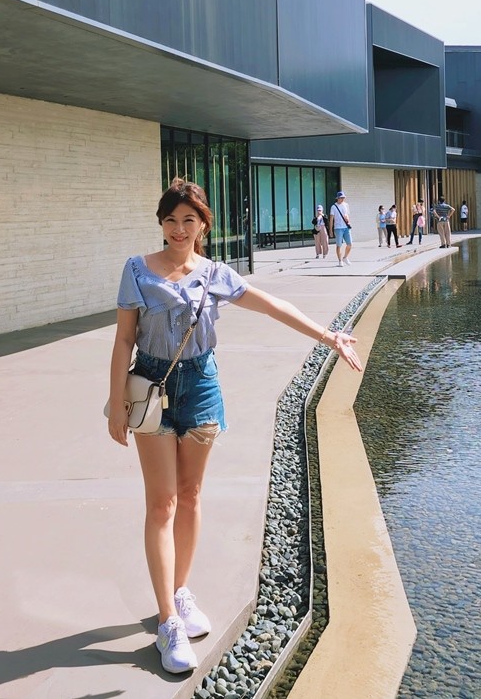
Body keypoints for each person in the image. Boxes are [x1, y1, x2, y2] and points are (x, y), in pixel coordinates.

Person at [109, 179, 363, 675]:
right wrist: (114, 401)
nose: (179, 230)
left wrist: (328, 335)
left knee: (192, 493)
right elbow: (123, 340)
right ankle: (167, 623)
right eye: (170, 220)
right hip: (152, 387)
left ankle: (179, 592)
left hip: (201, 385)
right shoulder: (137, 270)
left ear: (204, 224)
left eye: (189, 220)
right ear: (160, 223)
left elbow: (272, 306)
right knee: (161, 501)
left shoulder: (215, 275)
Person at [330, 190, 352, 266]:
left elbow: (347, 215)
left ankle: (345, 257)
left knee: (349, 244)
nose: (343, 199)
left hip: (346, 227)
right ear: (338, 198)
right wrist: (331, 230)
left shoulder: (346, 205)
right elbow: (331, 219)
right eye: (341, 198)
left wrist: (348, 220)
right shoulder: (334, 207)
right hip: (338, 228)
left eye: (343, 197)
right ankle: (340, 261)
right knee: (339, 245)